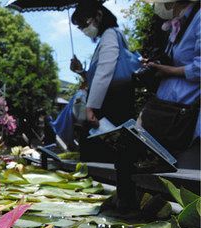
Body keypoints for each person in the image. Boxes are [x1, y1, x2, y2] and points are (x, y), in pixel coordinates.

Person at [138, 0, 199, 168]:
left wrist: (168, 70)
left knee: (186, 178)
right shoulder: (180, 23)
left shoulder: (199, 18)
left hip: (187, 116)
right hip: (167, 112)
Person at [70, 0, 137, 128]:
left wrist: (90, 107)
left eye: (85, 23)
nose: (84, 29)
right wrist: (81, 71)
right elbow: (100, 74)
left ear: (99, 15)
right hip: (115, 100)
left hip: (112, 104)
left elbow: (105, 72)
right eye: (80, 27)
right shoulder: (108, 36)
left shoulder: (110, 34)